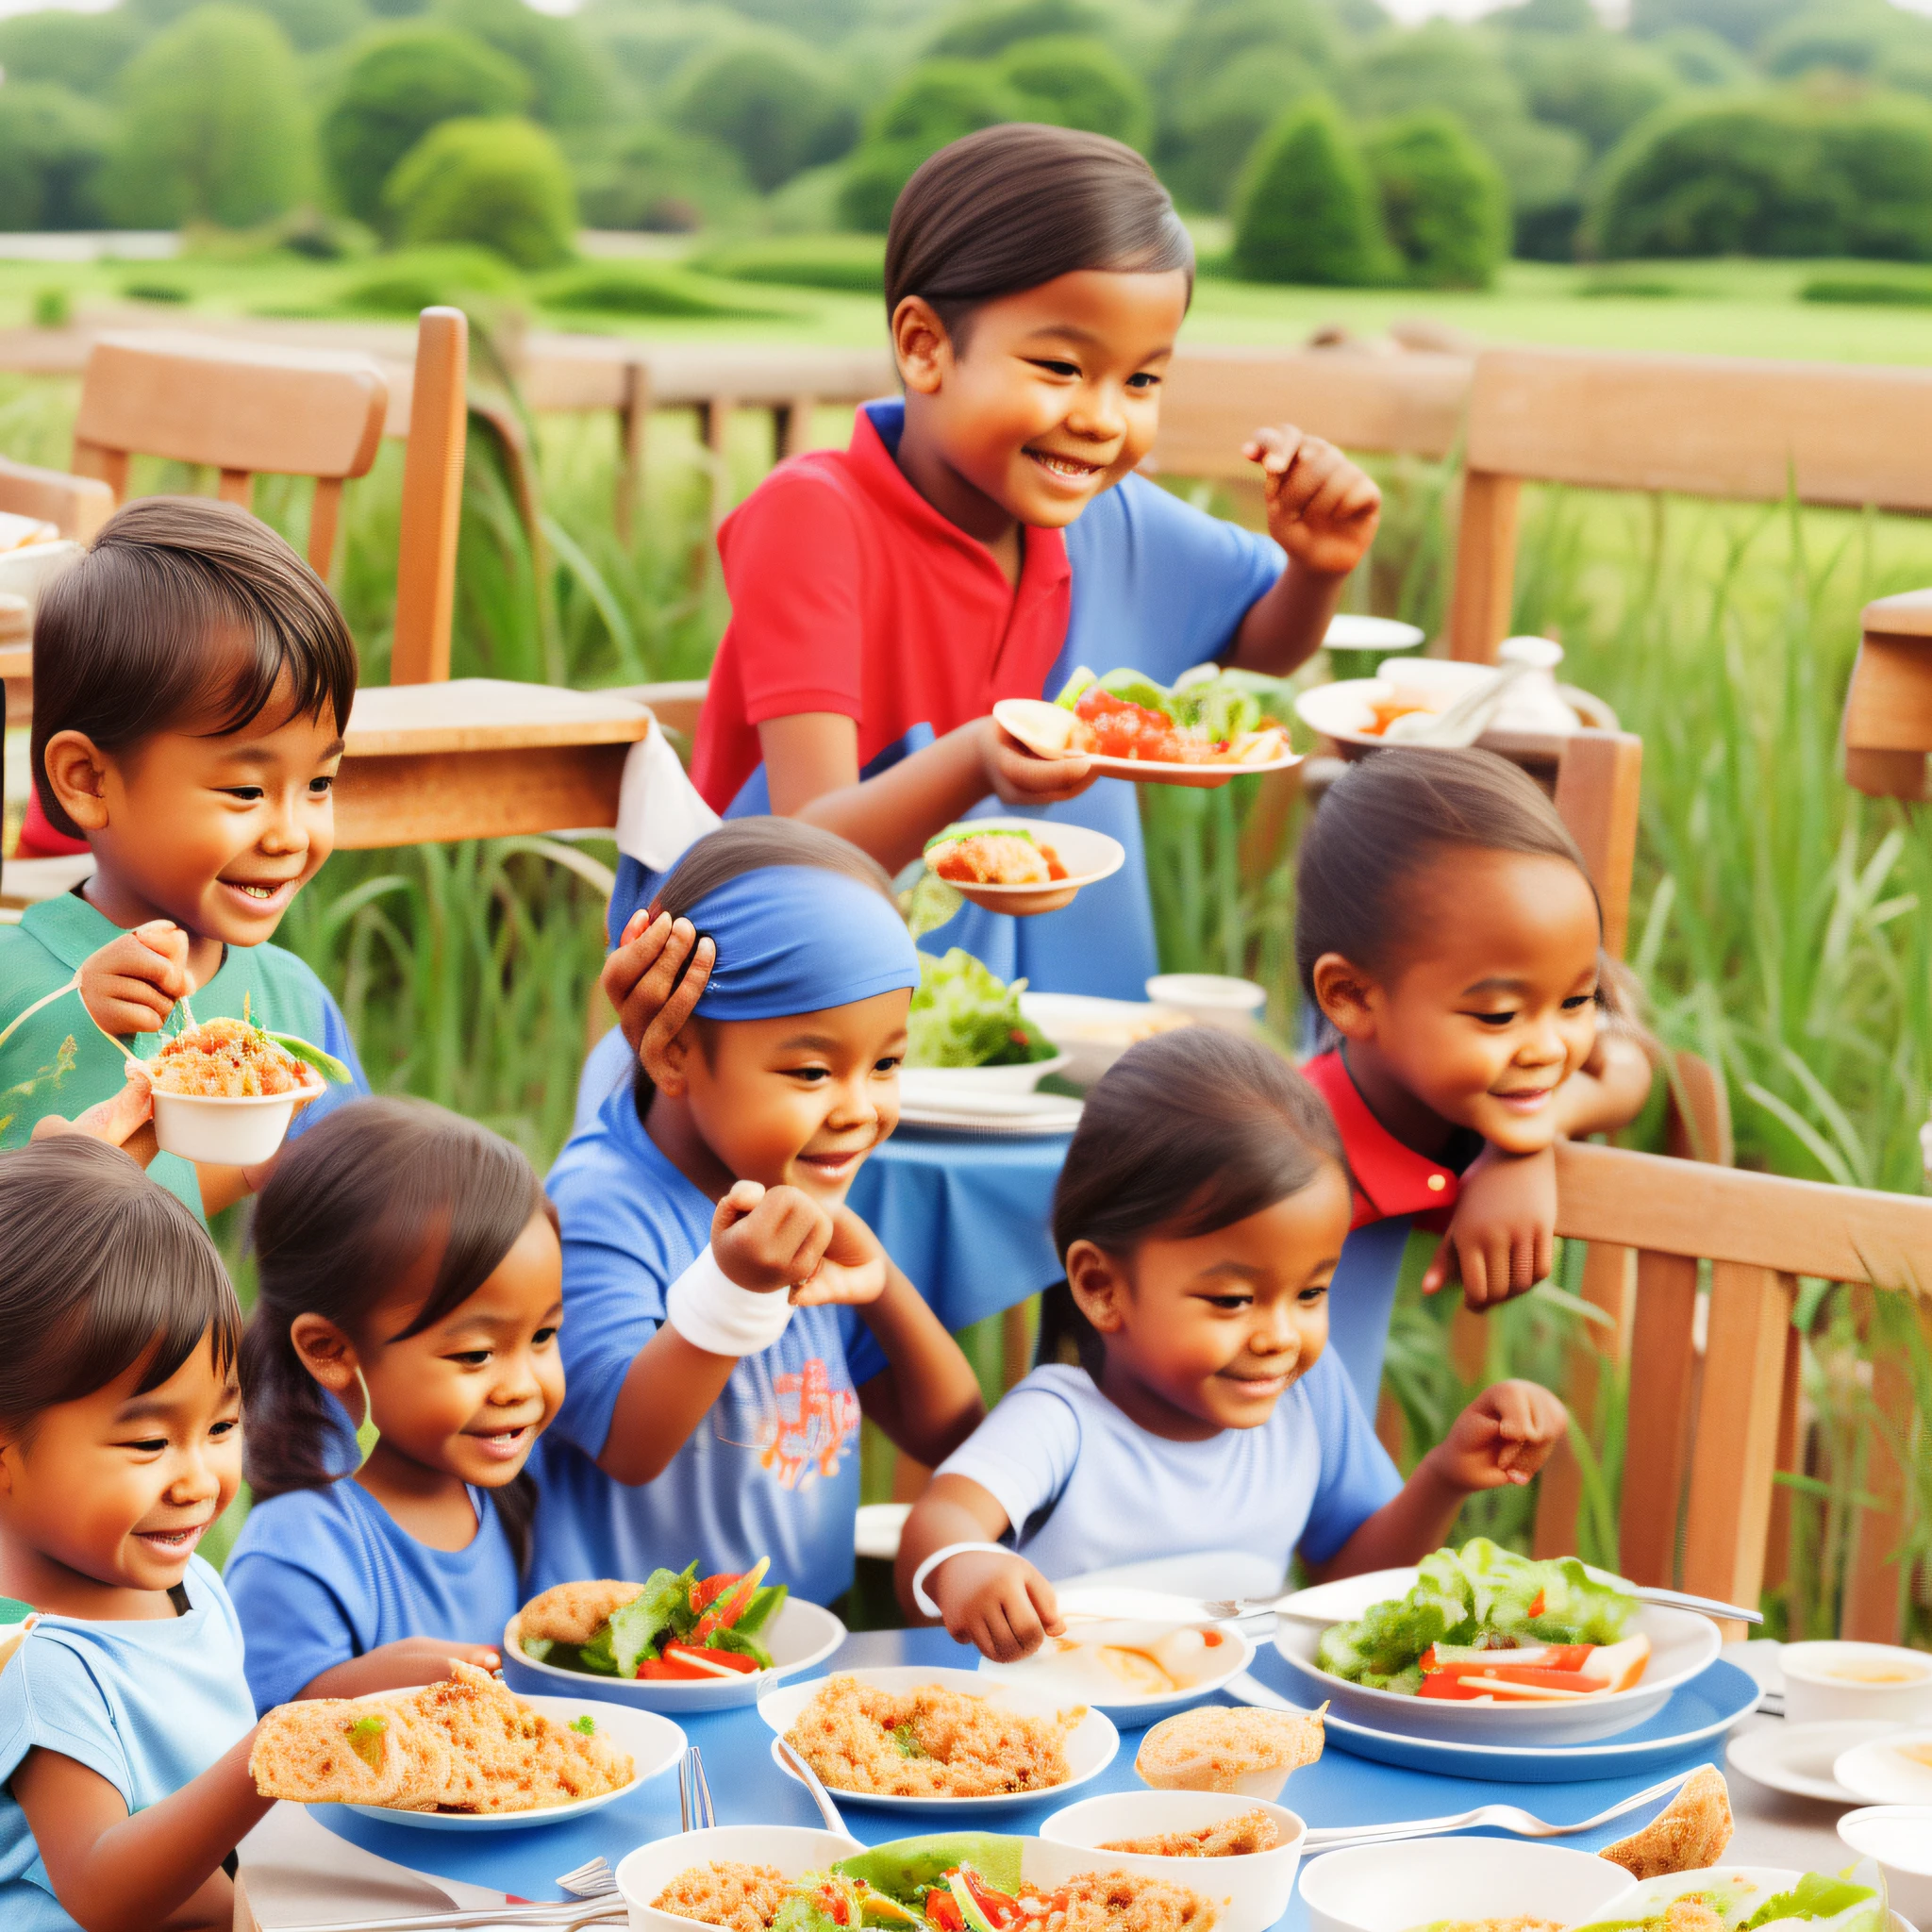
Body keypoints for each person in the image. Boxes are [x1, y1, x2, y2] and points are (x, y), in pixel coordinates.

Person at [604, 123, 1382, 1002]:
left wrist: (1317, 567)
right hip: (815, 1016)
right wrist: (979, 759)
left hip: (1063, 1015)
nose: (1103, 419)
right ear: (925, 345)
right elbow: (804, 849)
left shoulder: (1106, 518)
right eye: (1059, 366)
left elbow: (1261, 640)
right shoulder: (814, 518)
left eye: (1142, 381)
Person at [895, 1029, 1568, 1660]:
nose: (1278, 1336)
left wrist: (1446, 1474)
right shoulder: (1060, 1420)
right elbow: (942, 1519)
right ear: (1102, 1287)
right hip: (1071, 1738)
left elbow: (1348, 1576)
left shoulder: (1306, 1397)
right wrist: (970, 1567)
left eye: (1310, 1294)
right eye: (1233, 1301)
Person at [535, 819, 986, 1607]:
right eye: (813, 1070)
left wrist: (878, 1285)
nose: (860, 1109)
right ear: (675, 1053)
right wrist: (737, 1289)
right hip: (637, 1673)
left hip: (805, 1644)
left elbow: (946, 1434)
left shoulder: (804, 1192)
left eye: (885, 1064)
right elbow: (626, 1443)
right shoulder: (603, 1205)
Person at [0, 497, 368, 1222]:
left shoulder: (292, 1009)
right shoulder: (18, 988)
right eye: (246, 788)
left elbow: (358, 1233)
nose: (291, 833)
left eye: (319, 783)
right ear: (89, 781)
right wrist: (65, 1014)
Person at [1297, 748, 1656, 1409]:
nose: (1550, 1047)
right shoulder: (1284, 1151)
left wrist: (1526, 1143)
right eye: (1498, 1015)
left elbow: (1627, 1066)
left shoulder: (1466, 1095)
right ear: (1351, 996)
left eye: (1575, 1002)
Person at [0, 1137, 274, 1932]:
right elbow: (104, 1889)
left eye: (222, 1424)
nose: (198, 1479)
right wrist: (273, 1758)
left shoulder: (186, 1584)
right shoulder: (37, 1662)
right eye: (149, 1443)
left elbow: (194, 1845)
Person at [224, 1098, 562, 1714]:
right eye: (476, 1354)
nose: (522, 1386)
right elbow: (256, 1761)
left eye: (543, 1337)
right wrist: (371, 1689)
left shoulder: (504, 1500)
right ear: (332, 1350)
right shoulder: (301, 1547)